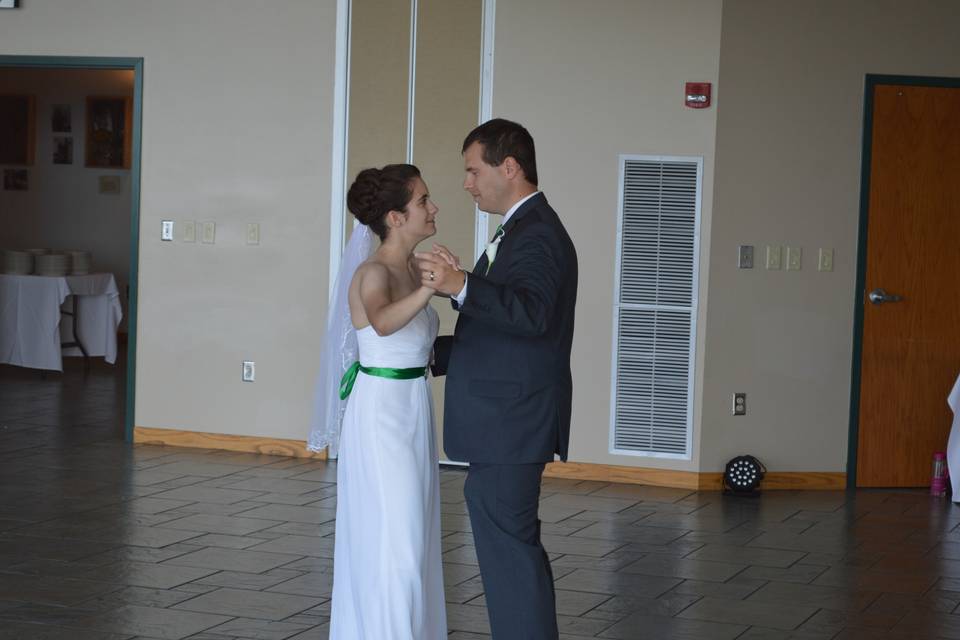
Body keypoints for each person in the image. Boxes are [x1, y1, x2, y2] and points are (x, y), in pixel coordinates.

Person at [417, 119, 578, 639]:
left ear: (509, 167)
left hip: (512, 422)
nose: (466, 183)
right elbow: (503, 327)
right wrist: (423, 352)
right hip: (507, 419)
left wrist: (461, 284)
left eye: (472, 169)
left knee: (510, 556)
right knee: (512, 553)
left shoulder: (538, 233)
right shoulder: (522, 227)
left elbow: (532, 316)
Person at [309, 164, 447, 639]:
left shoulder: (414, 267)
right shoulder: (374, 272)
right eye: (423, 201)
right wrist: (431, 289)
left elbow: (422, 345)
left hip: (413, 407)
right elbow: (383, 323)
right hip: (382, 414)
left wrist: (447, 283)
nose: (433, 208)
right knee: (399, 543)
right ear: (394, 216)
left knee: (416, 536)